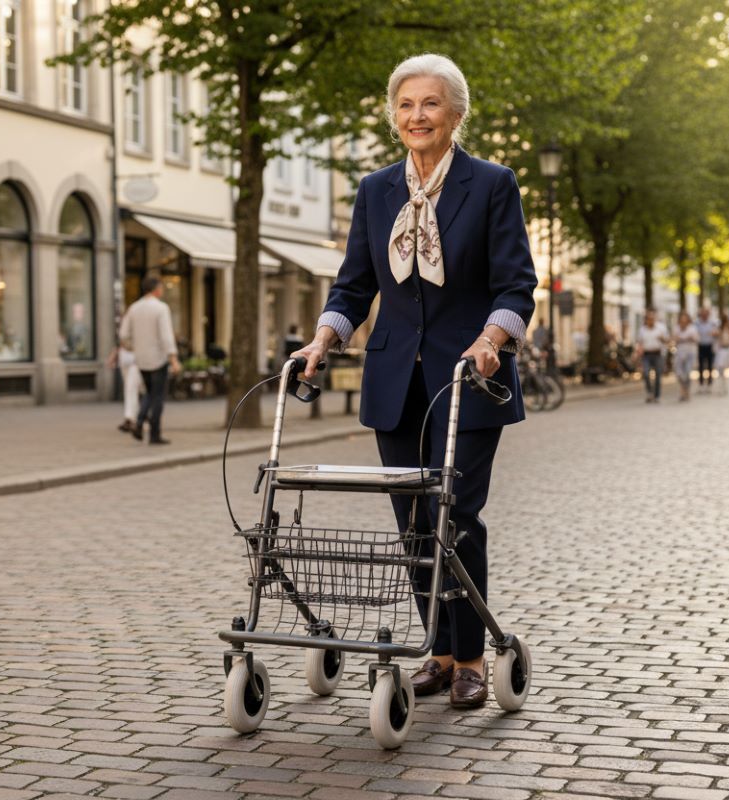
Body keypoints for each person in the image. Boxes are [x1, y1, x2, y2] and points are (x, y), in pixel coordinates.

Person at [293, 54, 537, 709]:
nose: (417, 116)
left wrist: (493, 338)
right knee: (411, 523)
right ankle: (436, 651)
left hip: (469, 381)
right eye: (406, 104)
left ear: (456, 114)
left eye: (430, 104)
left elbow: (517, 283)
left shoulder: (491, 185)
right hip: (395, 382)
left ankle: (471, 659)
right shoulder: (376, 190)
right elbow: (354, 283)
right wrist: (323, 338)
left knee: (455, 518)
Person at [118, 275, 181, 445]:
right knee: (158, 396)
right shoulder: (161, 308)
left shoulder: (134, 308)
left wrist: (133, 347)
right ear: (156, 289)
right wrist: (173, 358)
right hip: (158, 359)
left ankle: (139, 422)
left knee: (149, 393)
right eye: (161, 287)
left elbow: (123, 335)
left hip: (141, 359)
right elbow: (166, 336)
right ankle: (154, 433)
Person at [106, 343, 143, 433]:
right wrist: (114, 355)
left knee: (131, 389)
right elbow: (120, 341)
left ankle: (130, 419)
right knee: (130, 390)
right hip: (125, 359)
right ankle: (134, 419)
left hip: (137, 359)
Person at [634, 309, 669, 403]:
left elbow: (667, 341)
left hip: (658, 354)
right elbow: (639, 342)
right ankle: (649, 392)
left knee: (658, 375)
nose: (651, 321)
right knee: (645, 373)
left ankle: (657, 395)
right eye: (649, 319)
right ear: (646, 320)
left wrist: (662, 339)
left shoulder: (661, 328)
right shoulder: (642, 330)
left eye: (652, 318)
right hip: (646, 354)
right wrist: (636, 354)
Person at [672, 311, 699, 402]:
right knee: (679, 373)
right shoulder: (676, 328)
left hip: (690, 353)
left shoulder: (692, 328)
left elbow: (696, 339)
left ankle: (685, 391)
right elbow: (674, 339)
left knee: (687, 373)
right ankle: (683, 390)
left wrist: (687, 338)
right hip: (679, 353)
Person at [694, 306, 717, 391]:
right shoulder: (697, 323)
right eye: (703, 313)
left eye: (706, 313)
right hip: (701, 345)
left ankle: (710, 383)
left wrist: (714, 333)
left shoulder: (712, 323)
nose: (704, 315)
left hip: (710, 345)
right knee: (701, 365)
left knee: (710, 365)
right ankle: (701, 383)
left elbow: (717, 332)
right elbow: (695, 333)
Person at [714, 312, 729, 396]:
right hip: (721, 350)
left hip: (726, 350)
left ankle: (723, 386)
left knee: (722, 368)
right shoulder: (720, 329)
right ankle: (721, 386)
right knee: (720, 368)